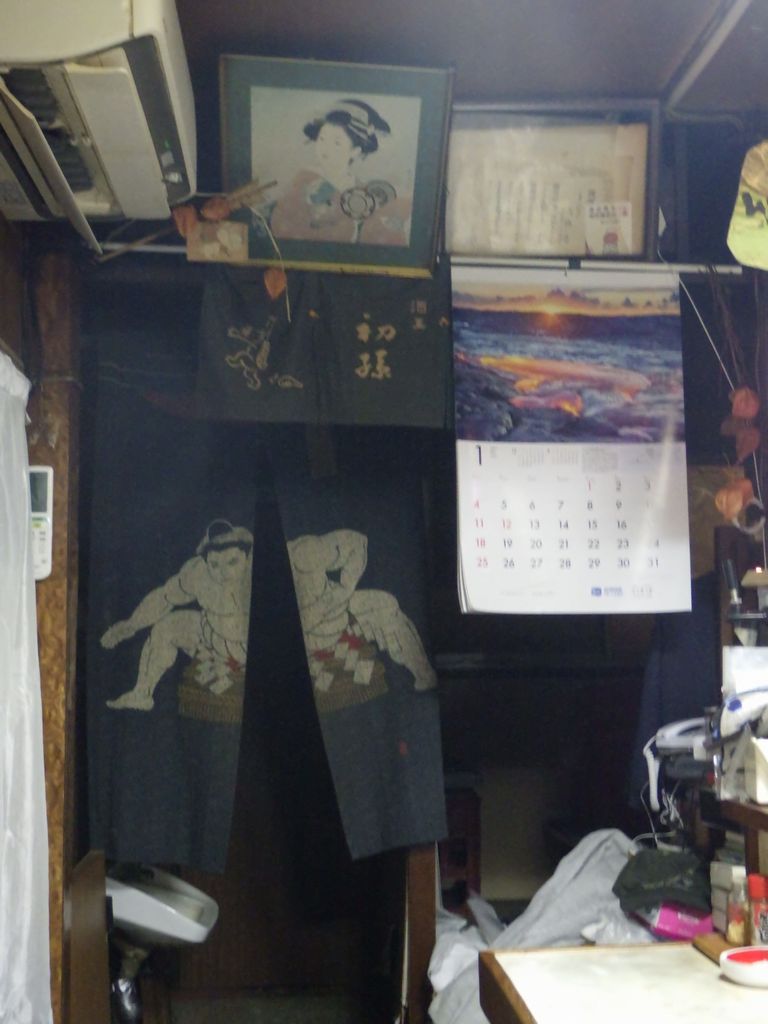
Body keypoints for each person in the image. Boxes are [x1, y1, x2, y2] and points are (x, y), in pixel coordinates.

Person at [102, 520, 254, 711]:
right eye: (215, 565)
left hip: (250, 656)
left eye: (232, 562)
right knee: (167, 627)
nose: (224, 573)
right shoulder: (198, 573)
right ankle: (141, 695)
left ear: (246, 557)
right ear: (206, 562)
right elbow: (165, 597)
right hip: (214, 644)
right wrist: (132, 624)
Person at [287, 529, 436, 692]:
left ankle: (425, 675)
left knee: (386, 604)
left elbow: (356, 542)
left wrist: (346, 588)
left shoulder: (303, 552)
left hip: (335, 615)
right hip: (307, 642)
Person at [264, 98, 413, 247]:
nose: (325, 148)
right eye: (322, 139)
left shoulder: (361, 189)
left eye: (336, 143)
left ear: (355, 151)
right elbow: (283, 225)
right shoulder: (304, 179)